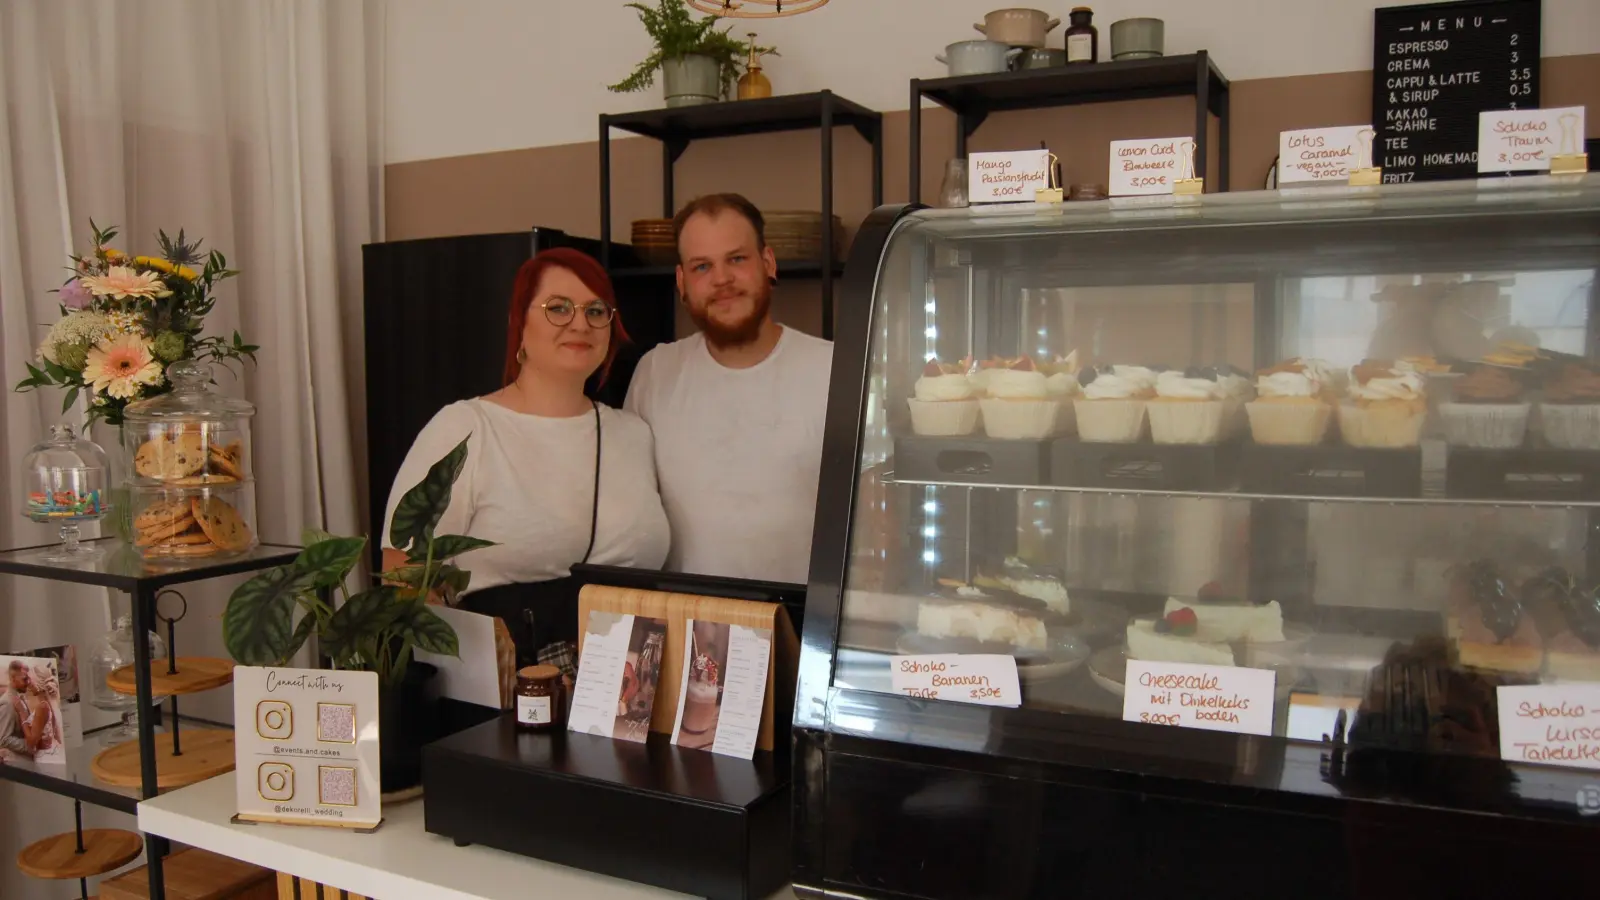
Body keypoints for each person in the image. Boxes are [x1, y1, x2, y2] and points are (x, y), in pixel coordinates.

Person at [381, 248, 670, 690]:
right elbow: (403, 575)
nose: (580, 323)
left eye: (596, 311)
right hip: (508, 698)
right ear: (520, 322)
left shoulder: (634, 434)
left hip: (635, 694)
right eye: (558, 308)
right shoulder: (465, 428)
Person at [624, 193, 832, 584]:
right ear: (682, 282)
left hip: (808, 627)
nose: (721, 279)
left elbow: (878, 516)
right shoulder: (655, 372)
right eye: (702, 266)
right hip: (685, 626)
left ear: (768, 263)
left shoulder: (835, 368)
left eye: (736, 259)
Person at [0, 661, 50, 759]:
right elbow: (4, 739)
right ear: (13, 679)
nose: (28, 683)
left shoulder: (21, 697)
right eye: (24, 679)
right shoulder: (8, 703)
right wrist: (29, 745)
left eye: (29, 679)